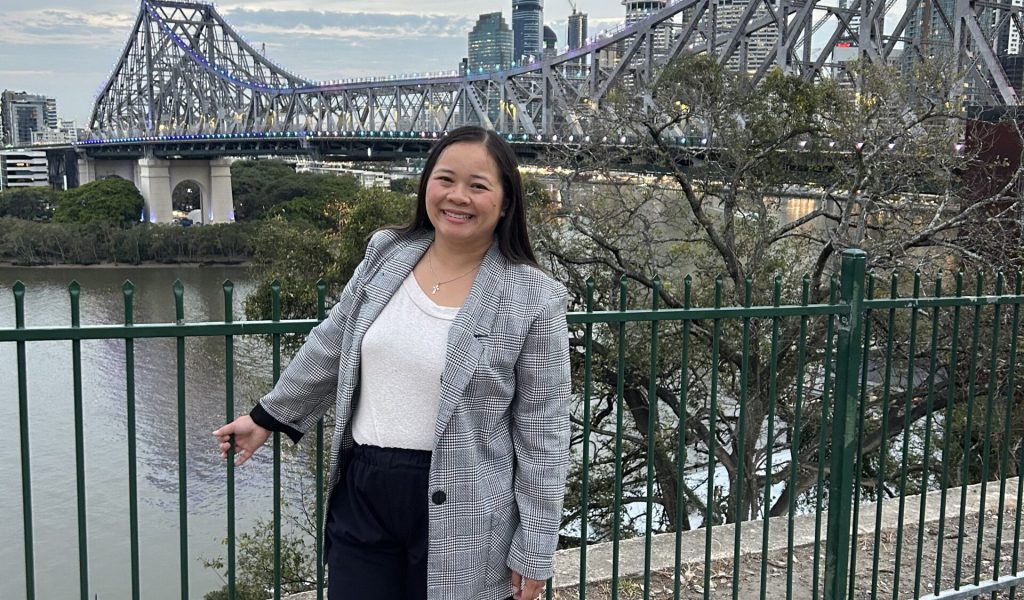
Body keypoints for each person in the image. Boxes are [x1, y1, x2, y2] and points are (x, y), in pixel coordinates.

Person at [213, 125, 571, 600]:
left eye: (478, 186)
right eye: (445, 179)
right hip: (363, 491)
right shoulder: (387, 253)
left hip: (466, 504)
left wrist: (535, 547)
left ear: (505, 203)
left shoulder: (533, 296)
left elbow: (542, 430)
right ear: (426, 185)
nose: (457, 196)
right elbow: (332, 343)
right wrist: (267, 416)